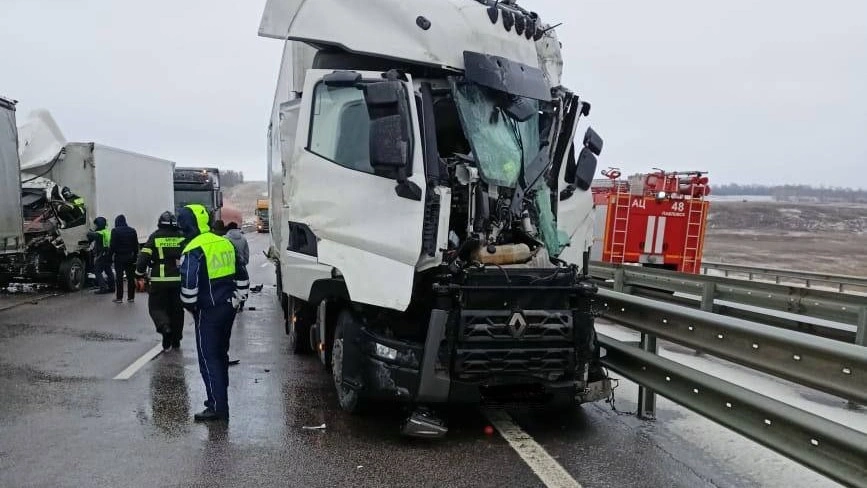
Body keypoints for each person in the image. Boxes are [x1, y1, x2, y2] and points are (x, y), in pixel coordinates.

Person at [177, 204, 248, 422]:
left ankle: (217, 407)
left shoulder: (194, 249)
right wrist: (238, 299)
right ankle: (220, 401)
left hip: (207, 311)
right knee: (221, 355)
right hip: (228, 307)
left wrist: (191, 307)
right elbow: (242, 274)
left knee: (209, 359)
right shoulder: (224, 242)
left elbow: (189, 289)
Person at [136, 211, 186, 351]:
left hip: (159, 280)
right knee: (177, 310)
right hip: (178, 280)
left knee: (156, 307)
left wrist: (139, 273)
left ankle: (165, 328)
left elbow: (144, 257)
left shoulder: (155, 237)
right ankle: (176, 339)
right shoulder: (181, 237)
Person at [110, 214, 139, 303]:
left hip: (119, 257)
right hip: (130, 257)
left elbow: (112, 246)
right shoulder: (132, 230)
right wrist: (135, 257)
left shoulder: (115, 231)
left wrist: (109, 256)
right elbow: (136, 245)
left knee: (119, 278)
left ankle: (119, 298)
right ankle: (131, 297)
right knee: (130, 278)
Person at [223, 222, 249, 311]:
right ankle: (241, 303)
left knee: (231, 285)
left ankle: (232, 303)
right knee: (242, 285)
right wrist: (244, 263)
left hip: (229, 266)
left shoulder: (225, 238)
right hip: (241, 265)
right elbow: (246, 253)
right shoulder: (243, 238)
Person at [86, 216, 115, 294]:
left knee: (97, 271)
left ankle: (103, 288)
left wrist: (88, 230)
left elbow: (89, 234)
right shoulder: (107, 231)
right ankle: (112, 287)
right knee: (108, 270)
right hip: (109, 254)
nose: (95, 226)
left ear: (99, 224)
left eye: (96, 224)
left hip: (102, 254)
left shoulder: (99, 233)